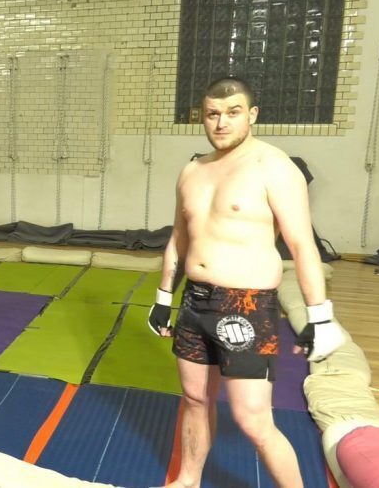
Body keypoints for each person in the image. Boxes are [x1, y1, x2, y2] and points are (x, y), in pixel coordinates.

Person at [147, 76, 344, 488]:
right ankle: (187, 480)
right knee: (195, 399)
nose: (221, 123)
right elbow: (179, 240)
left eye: (232, 113)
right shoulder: (192, 170)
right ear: (202, 117)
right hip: (194, 302)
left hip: (247, 306)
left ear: (251, 114)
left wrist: (321, 317)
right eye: (212, 114)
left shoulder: (275, 167)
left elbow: (302, 245)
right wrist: (164, 297)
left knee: (253, 420)